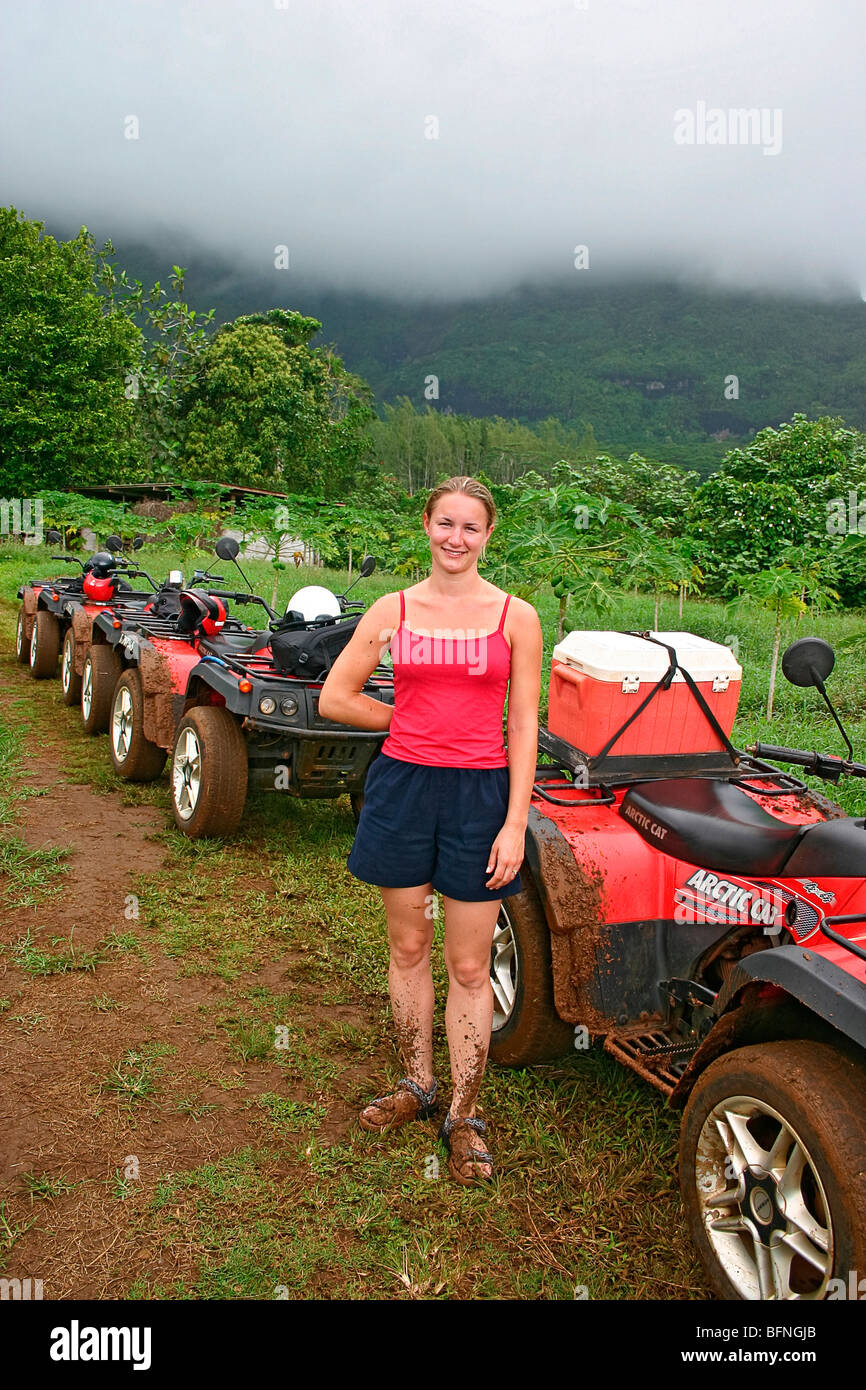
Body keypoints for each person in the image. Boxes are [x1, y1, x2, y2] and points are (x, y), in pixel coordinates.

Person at [318, 475, 542, 1184]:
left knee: (470, 964)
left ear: (487, 535)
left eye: (470, 527)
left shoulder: (515, 616)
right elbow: (335, 697)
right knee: (408, 943)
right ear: (426, 524)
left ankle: (465, 1115)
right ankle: (417, 1085)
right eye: (445, 523)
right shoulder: (393, 610)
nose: (456, 538)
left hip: (481, 796)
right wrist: (404, 723)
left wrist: (514, 821)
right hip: (405, 789)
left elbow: (525, 723)